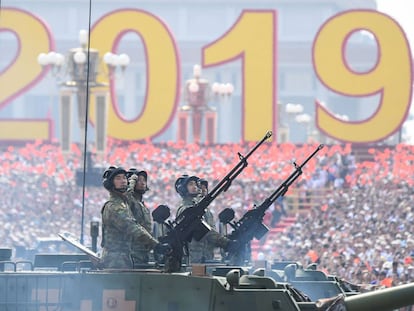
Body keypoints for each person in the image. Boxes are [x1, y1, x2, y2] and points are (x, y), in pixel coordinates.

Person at [100, 166, 170, 269]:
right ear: (111, 183)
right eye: (118, 178)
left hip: (123, 258)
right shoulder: (114, 207)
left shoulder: (122, 204)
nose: (123, 181)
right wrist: (156, 245)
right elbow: (133, 227)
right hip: (115, 261)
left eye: (124, 178)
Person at [175, 175, 232, 264]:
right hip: (194, 258)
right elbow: (206, 232)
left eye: (195, 184)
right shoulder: (186, 210)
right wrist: (226, 243)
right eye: (190, 184)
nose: (195, 187)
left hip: (205, 255)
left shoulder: (198, 208)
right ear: (183, 188)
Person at [125, 168, 155, 267]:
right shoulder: (130, 201)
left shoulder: (142, 205)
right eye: (139, 180)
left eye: (144, 180)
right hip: (133, 253)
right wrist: (131, 183)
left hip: (143, 252)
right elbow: (126, 197)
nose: (142, 183)